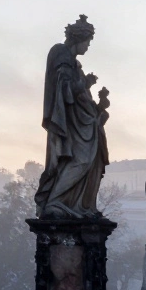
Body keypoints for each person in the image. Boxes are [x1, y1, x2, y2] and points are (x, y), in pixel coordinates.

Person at [35, 14, 111, 218]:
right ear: (78, 39)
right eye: (87, 43)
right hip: (69, 124)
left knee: (91, 161)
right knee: (81, 160)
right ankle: (56, 202)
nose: (87, 47)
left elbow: (81, 99)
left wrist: (99, 106)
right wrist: (85, 84)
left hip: (81, 122)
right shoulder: (60, 53)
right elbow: (64, 90)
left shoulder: (75, 64)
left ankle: (80, 205)